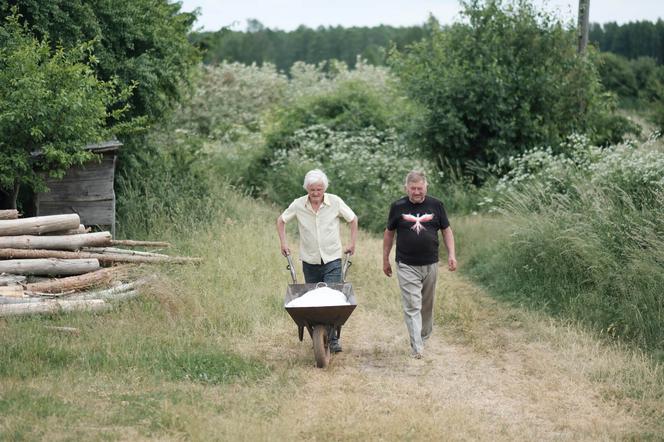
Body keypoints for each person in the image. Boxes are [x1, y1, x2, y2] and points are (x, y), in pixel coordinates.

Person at [277, 169, 358, 353]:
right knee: (314, 302)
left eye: (319, 190)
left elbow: (353, 219)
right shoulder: (298, 204)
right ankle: (319, 335)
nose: (316, 194)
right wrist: (283, 243)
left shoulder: (335, 202)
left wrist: (352, 243)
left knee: (331, 300)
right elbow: (281, 221)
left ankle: (333, 338)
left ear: (324, 189)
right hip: (309, 259)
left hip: (332, 258)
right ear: (307, 188)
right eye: (312, 190)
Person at [382, 170, 457, 359]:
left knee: (426, 304)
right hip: (406, 264)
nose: (417, 192)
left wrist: (452, 255)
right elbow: (389, 234)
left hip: (431, 263)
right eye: (413, 188)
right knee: (412, 305)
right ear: (406, 188)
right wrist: (385, 259)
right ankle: (417, 346)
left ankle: (423, 336)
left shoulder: (436, 205)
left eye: (420, 188)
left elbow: (446, 231)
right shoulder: (398, 206)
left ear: (426, 187)